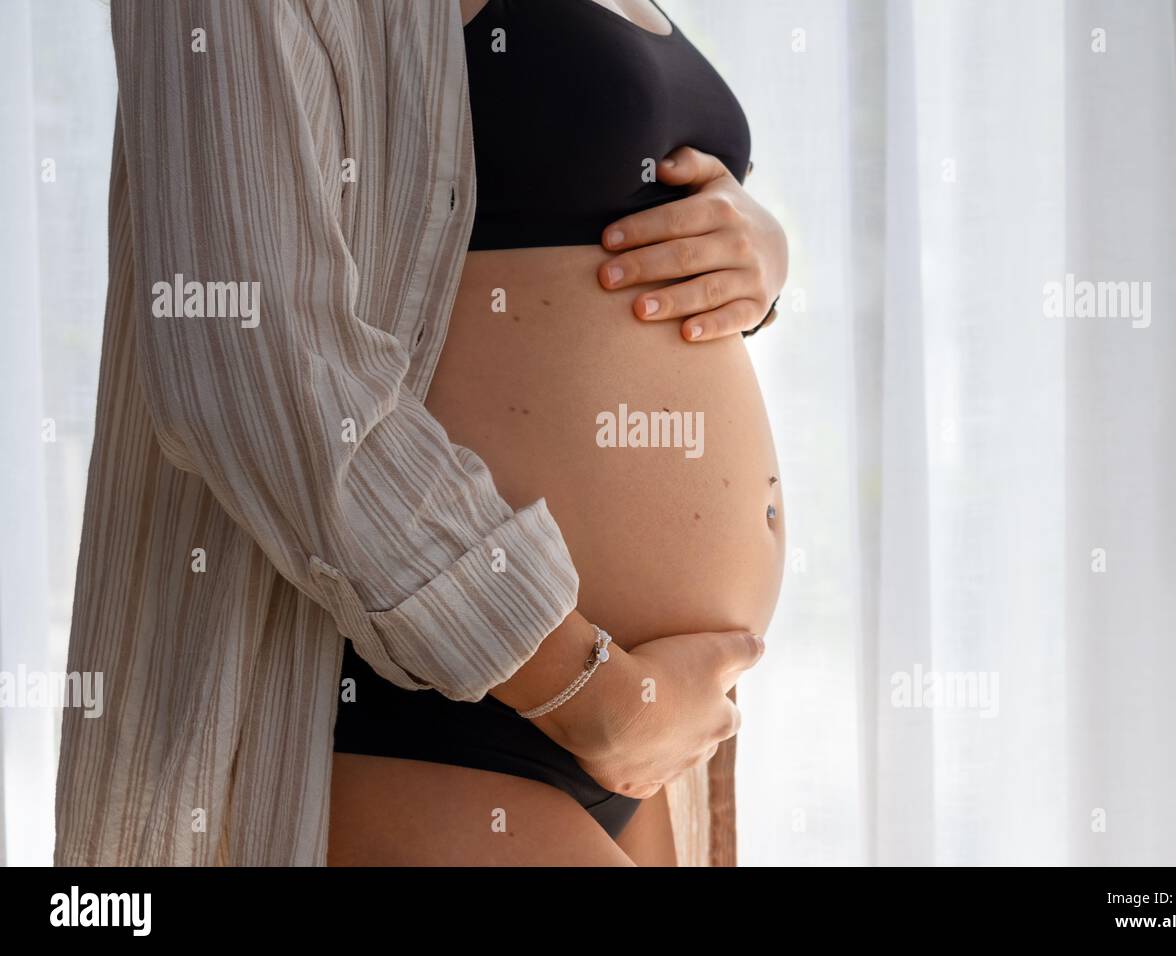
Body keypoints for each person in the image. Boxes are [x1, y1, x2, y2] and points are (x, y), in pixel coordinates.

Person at [55, 0, 786, 867]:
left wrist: (757, 257)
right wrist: (580, 686)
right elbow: (246, 354)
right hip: (434, 694)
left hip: (635, 721)